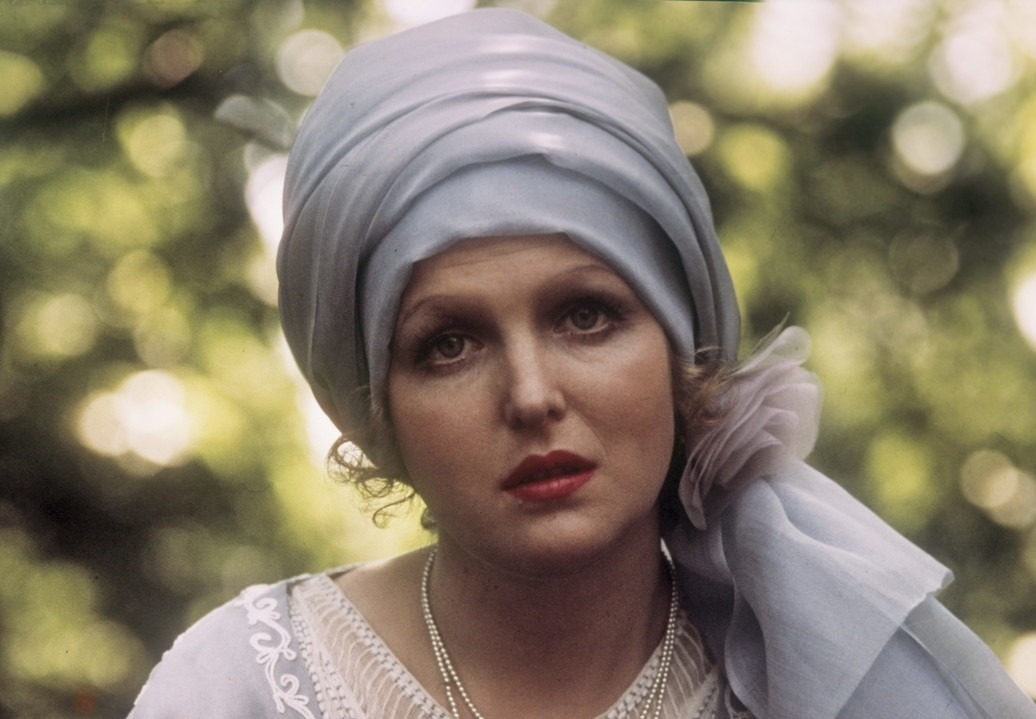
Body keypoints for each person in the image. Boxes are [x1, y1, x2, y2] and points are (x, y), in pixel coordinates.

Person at [129, 9, 1036, 719]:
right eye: (449, 344)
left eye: (586, 316)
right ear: (375, 408)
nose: (532, 396)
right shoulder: (245, 687)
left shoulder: (808, 687)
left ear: (679, 350)